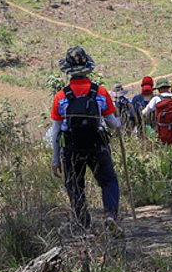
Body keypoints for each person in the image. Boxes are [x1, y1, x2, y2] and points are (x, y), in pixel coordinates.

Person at [48, 47, 121, 234]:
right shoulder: (100, 92)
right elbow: (112, 123)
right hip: (97, 145)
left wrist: (55, 159)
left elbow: (56, 130)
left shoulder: (61, 96)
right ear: (87, 68)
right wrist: (118, 122)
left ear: (68, 70)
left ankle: (83, 225)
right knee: (108, 181)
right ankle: (110, 214)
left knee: (75, 186)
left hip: (71, 148)